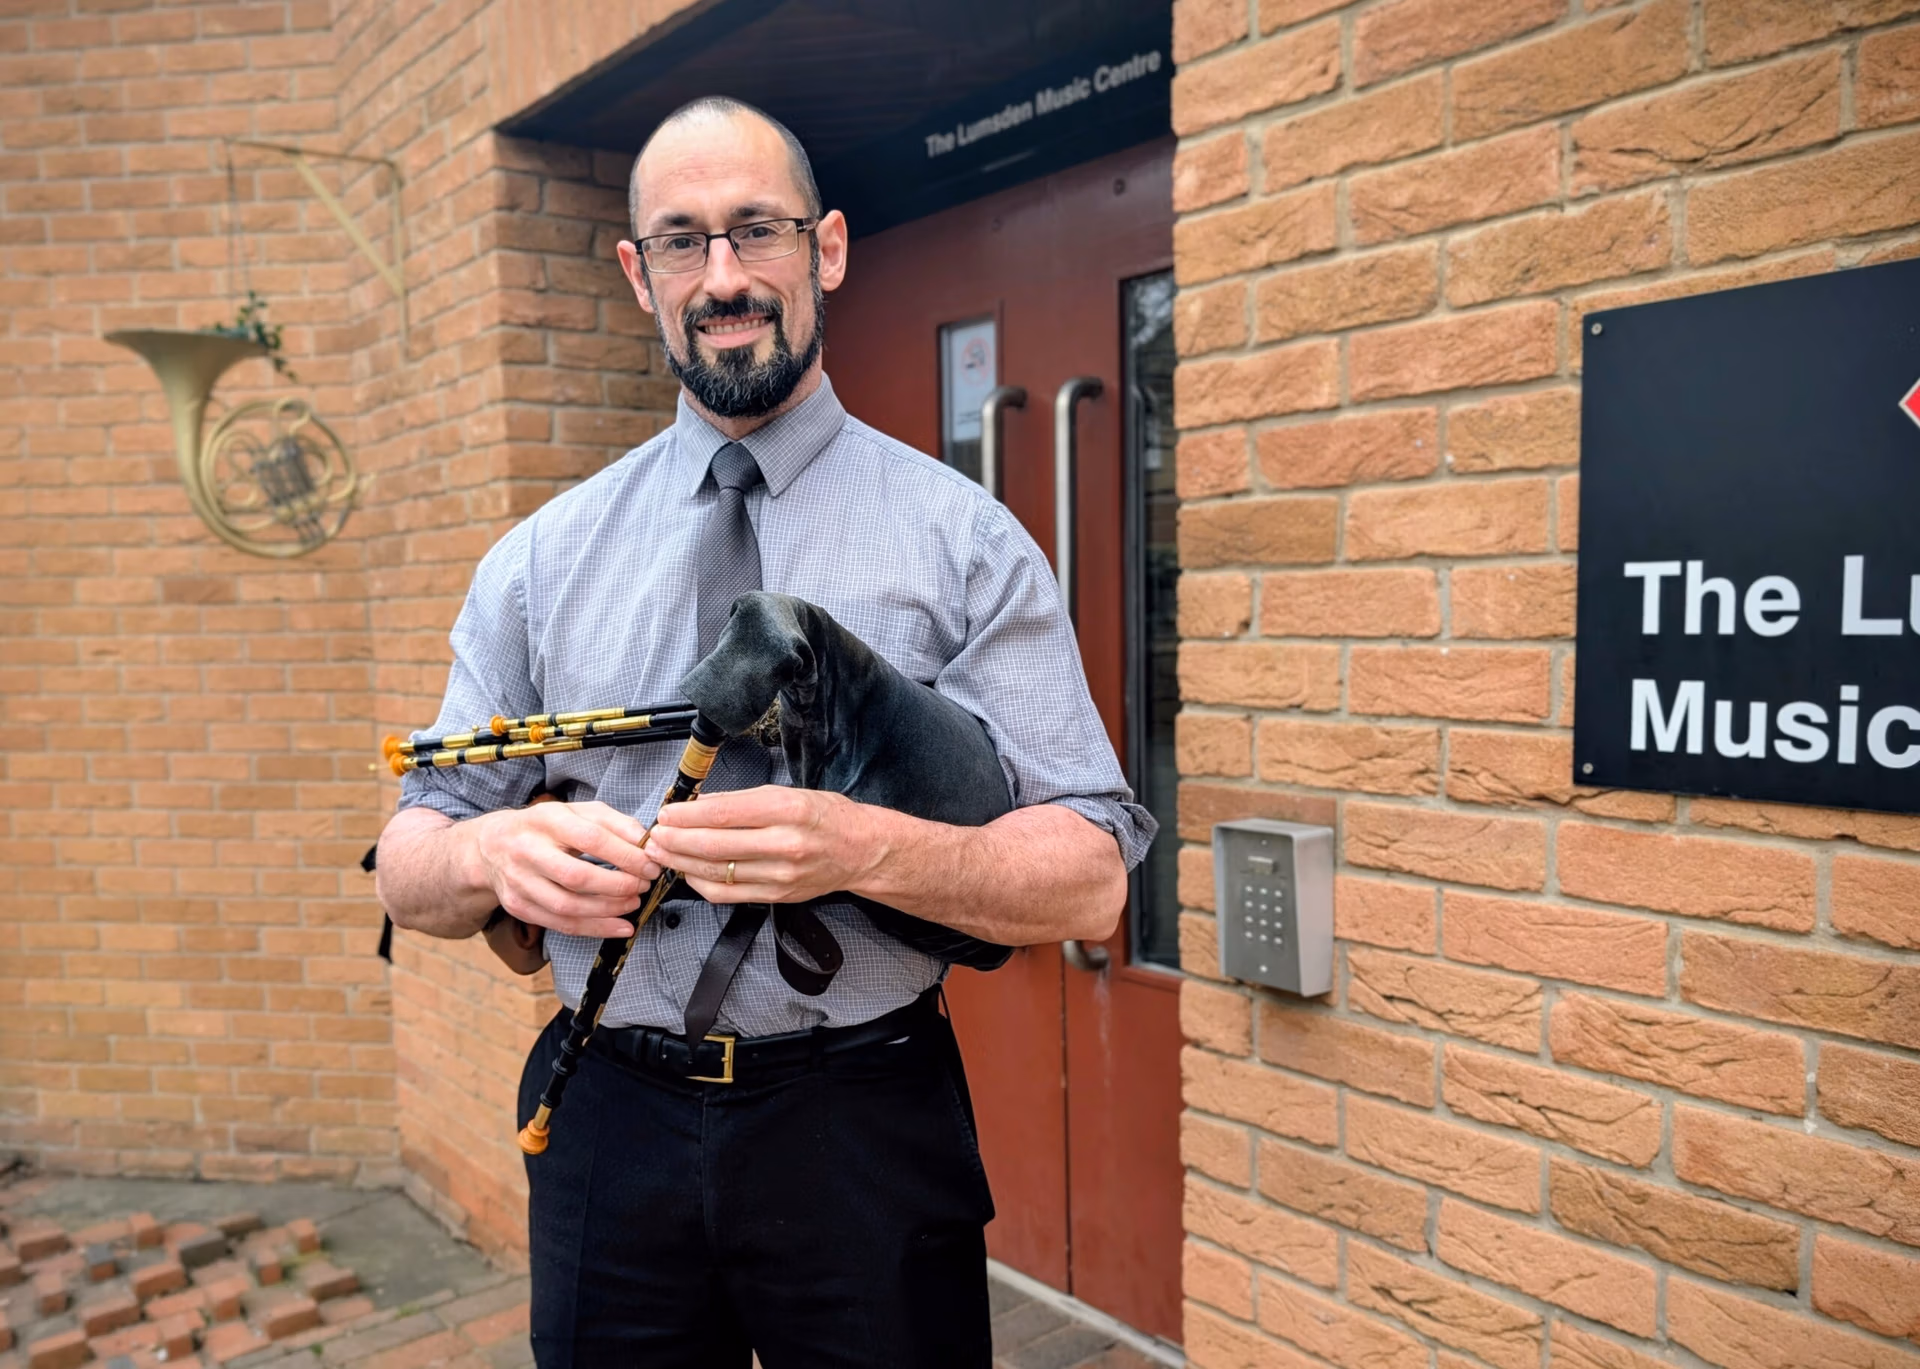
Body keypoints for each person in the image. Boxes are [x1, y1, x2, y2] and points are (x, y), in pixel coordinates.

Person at [374, 95, 1154, 1368]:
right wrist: (490, 860)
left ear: (828, 249)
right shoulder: (536, 563)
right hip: (604, 1117)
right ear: (638, 275)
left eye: (757, 232)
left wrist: (858, 845)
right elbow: (410, 858)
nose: (723, 277)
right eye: (683, 241)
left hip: (864, 1122)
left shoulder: (966, 541)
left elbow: (1090, 881)